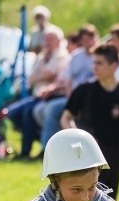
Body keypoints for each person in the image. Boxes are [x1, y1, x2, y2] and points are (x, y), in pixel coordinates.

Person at [61, 43, 119, 201]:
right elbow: (65, 118)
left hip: (113, 155)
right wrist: (77, 138)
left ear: (114, 65)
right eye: (93, 62)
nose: (94, 67)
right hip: (85, 155)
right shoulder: (84, 90)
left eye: (99, 63)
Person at [6, 27, 70, 158]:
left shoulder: (62, 55)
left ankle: (26, 150)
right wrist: (42, 75)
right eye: (46, 39)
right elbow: (32, 77)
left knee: (28, 113)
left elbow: (51, 73)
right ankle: (35, 136)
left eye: (51, 39)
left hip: (49, 96)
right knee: (11, 113)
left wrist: (40, 75)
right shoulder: (43, 56)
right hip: (36, 96)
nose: (47, 42)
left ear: (58, 40)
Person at [38, 25, 98, 153]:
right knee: (49, 109)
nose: (88, 43)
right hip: (73, 97)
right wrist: (72, 99)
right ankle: (49, 149)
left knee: (53, 109)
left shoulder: (100, 56)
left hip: (95, 98)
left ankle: (82, 146)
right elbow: (68, 81)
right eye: (85, 40)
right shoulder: (75, 57)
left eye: (91, 39)